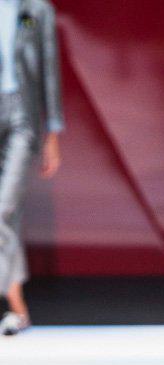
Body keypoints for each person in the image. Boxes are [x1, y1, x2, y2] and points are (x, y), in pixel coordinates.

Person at [0, 0, 63, 335]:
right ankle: (17, 306)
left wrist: (53, 131)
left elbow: (49, 70)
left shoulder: (36, 9)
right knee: (9, 216)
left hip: (22, 115)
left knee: (3, 207)